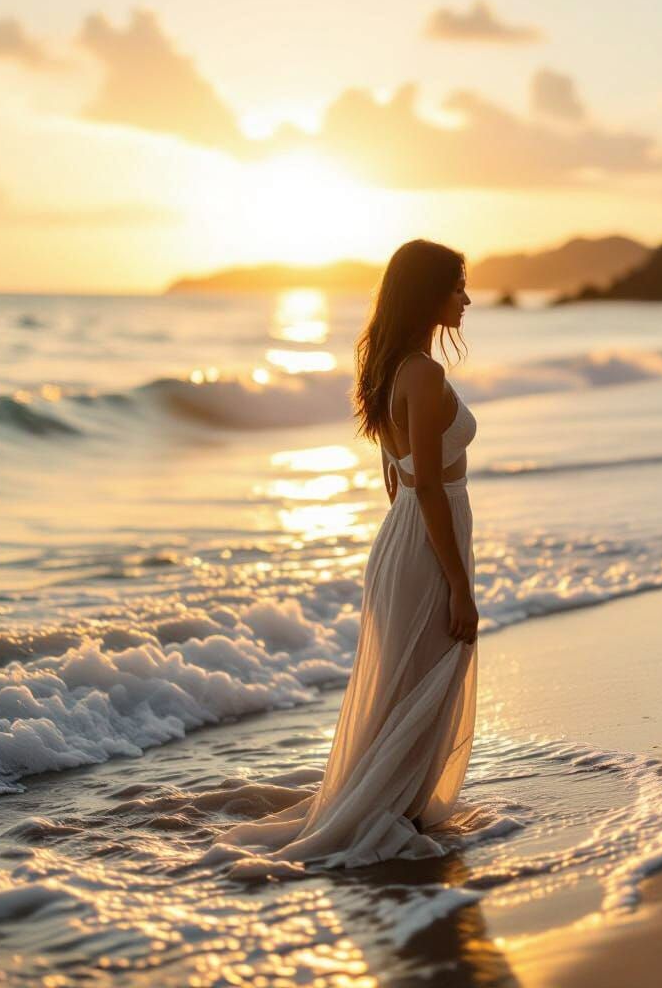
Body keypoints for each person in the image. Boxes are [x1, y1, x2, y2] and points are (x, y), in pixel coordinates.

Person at [207, 239, 480, 874]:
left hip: (402, 538)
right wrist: (460, 585)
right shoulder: (424, 373)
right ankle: (391, 813)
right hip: (424, 539)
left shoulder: (390, 366)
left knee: (407, 679)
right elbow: (431, 487)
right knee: (426, 675)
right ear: (428, 292)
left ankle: (396, 803)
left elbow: (397, 474)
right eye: (457, 286)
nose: (466, 299)